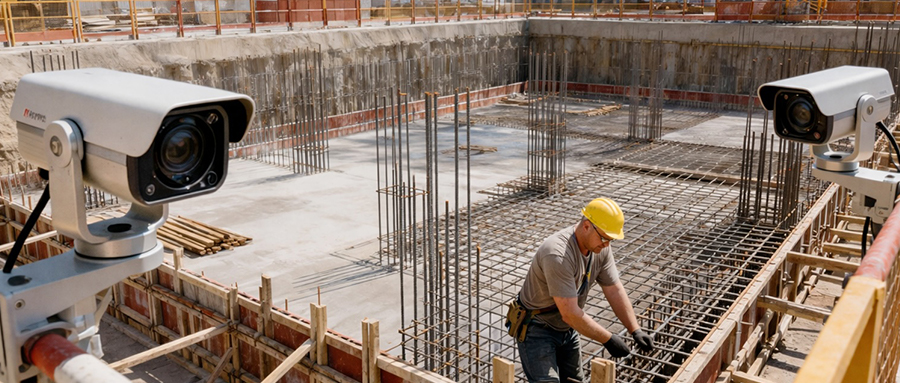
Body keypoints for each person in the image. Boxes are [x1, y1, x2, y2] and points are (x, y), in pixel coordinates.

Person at [513, 197, 654, 383]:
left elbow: (613, 289)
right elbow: (570, 313)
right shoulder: (557, 254)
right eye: (604, 238)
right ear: (587, 226)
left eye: (611, 240)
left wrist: (634, 329)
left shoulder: (600, 248)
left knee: (575, 381)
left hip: (567, 329)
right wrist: (608, 339)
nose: (607, 245)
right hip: (538, 329)